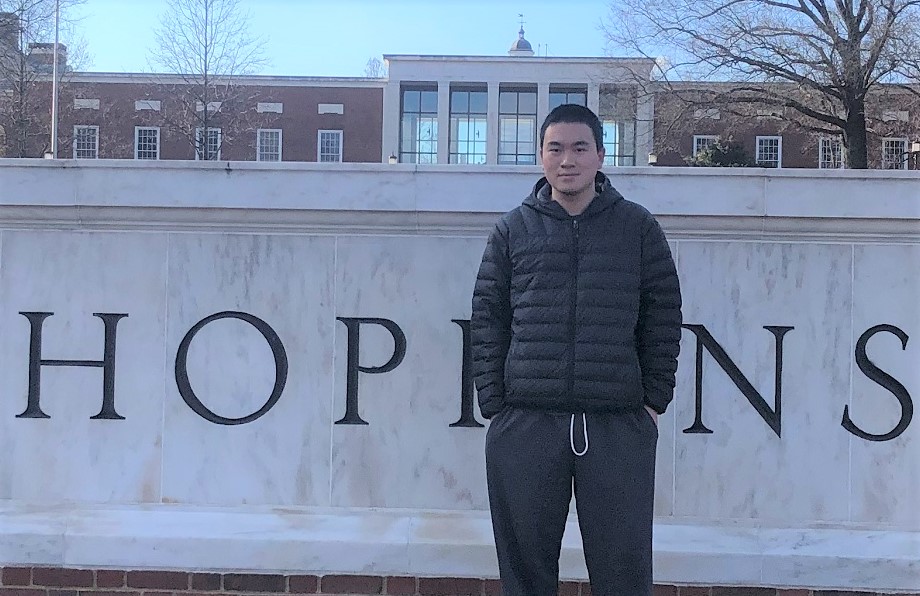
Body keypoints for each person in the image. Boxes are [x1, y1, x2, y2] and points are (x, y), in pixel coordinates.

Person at [471, 104, 682, 596]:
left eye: (579, 148)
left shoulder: (637, 227)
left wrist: (652, 403)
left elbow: (663, 313)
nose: (568, 159)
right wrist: (496, 405)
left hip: (616, 425)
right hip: (525, 423)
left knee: (623, 573)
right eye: (556, 148)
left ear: (600, 156)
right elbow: (488, 317)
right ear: (541, 157)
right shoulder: (512, 231)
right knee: (525, 572)